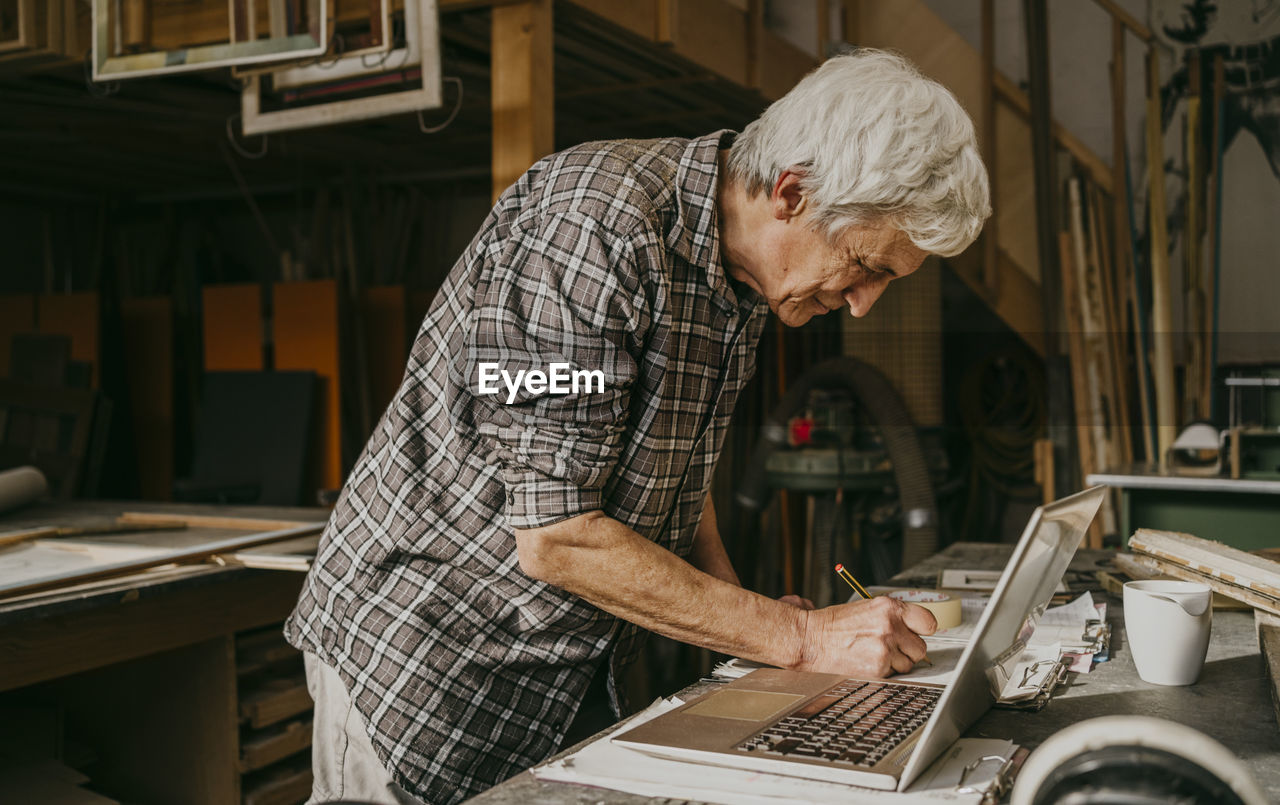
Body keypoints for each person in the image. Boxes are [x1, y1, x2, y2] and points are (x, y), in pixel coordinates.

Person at [286, 48, 991, 805]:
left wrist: (746, 626)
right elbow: (556, 534)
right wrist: (801, 638)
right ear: (791, 193)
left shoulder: (742, 282)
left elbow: (671, 468)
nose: (862, 304)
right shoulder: (591, 229)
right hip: (429, 662)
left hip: (564, 667)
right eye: (864, 265)